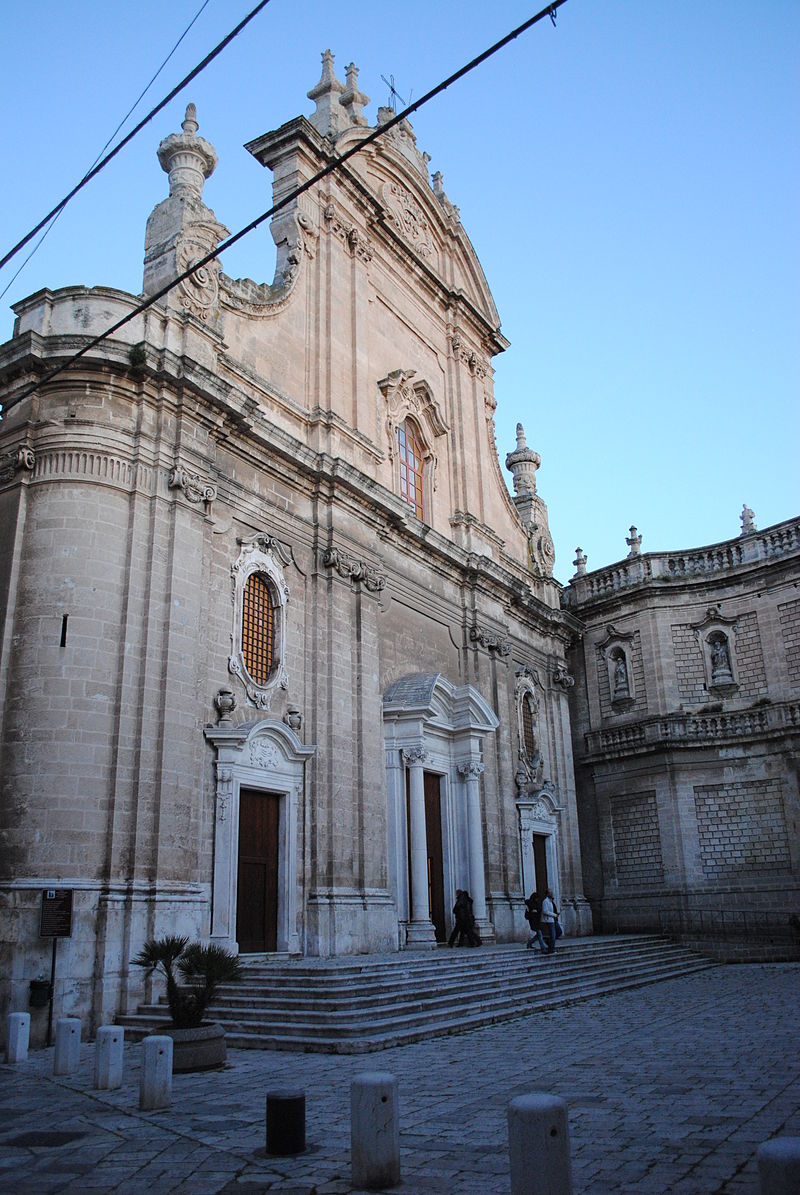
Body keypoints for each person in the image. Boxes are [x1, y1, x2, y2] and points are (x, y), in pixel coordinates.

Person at [540, 887, 559, 954]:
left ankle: (549, 943)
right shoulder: (545, 901)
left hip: (553, 920)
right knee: (553, 935)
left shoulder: (550, 901)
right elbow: (545, 911)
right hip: (549, 920)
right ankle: (551, 949)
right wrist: (554, 915)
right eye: (551, 893)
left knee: (557, 933)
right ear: (548, 894)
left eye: (552, 893)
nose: (552, 894)